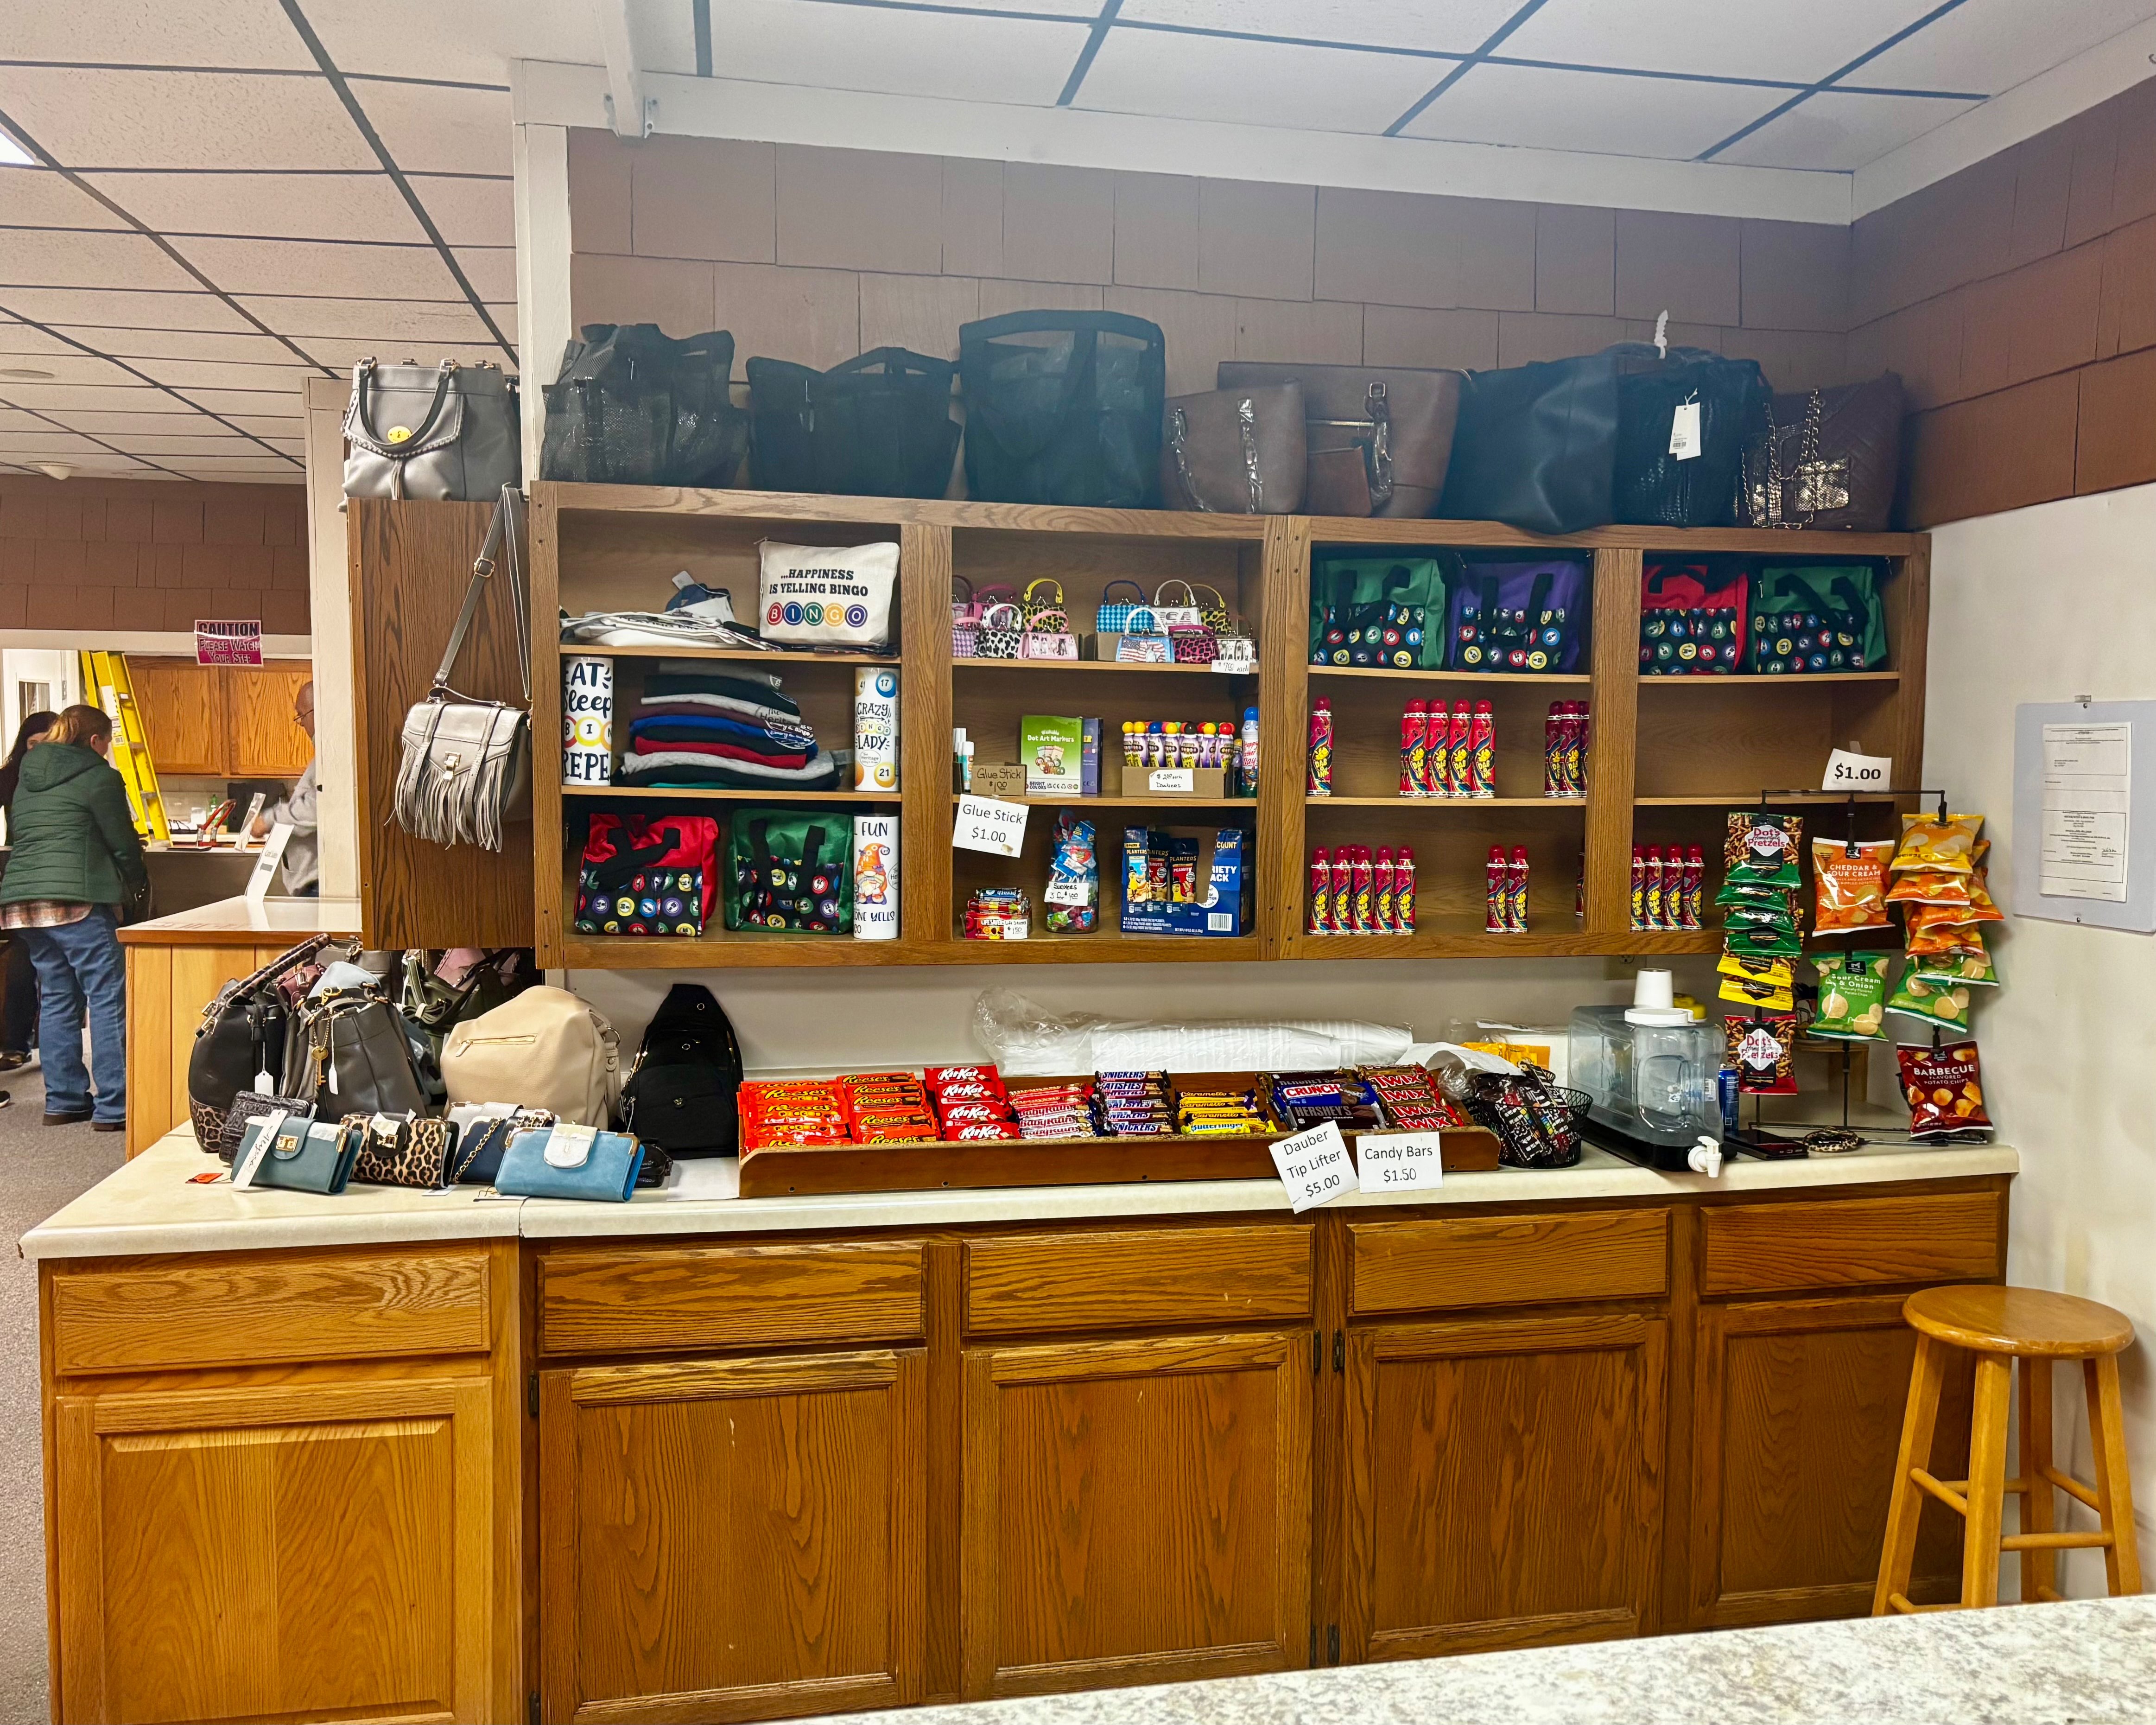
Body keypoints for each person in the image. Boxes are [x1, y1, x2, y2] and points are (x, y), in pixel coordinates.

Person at [0, 704, 146, 1130]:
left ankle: (64, 1100)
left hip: (23, 904)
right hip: (76, 899)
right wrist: (135, 885)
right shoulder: (100, 776)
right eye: (108, 743)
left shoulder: (27, 779)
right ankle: (116, 1105)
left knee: (58, 997)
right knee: (105, 996)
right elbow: (122, 843)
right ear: (96, 740)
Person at [0, 710, 57, 1071]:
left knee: (55, 975)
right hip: (21, 878)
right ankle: (16, 1042)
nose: (37, 752)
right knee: (24, 965)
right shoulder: (9, 778)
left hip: (44, 878)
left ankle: (31, 1043)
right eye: (32, 744)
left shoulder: (66, 777)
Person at [250, 679, 318, 896]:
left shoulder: (332, 757)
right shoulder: (326, 754)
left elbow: (318, 808)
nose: (301, 724)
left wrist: (269, 819)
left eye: (302, 715)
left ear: (317, 712)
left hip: (315, 887)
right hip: (311, 886)